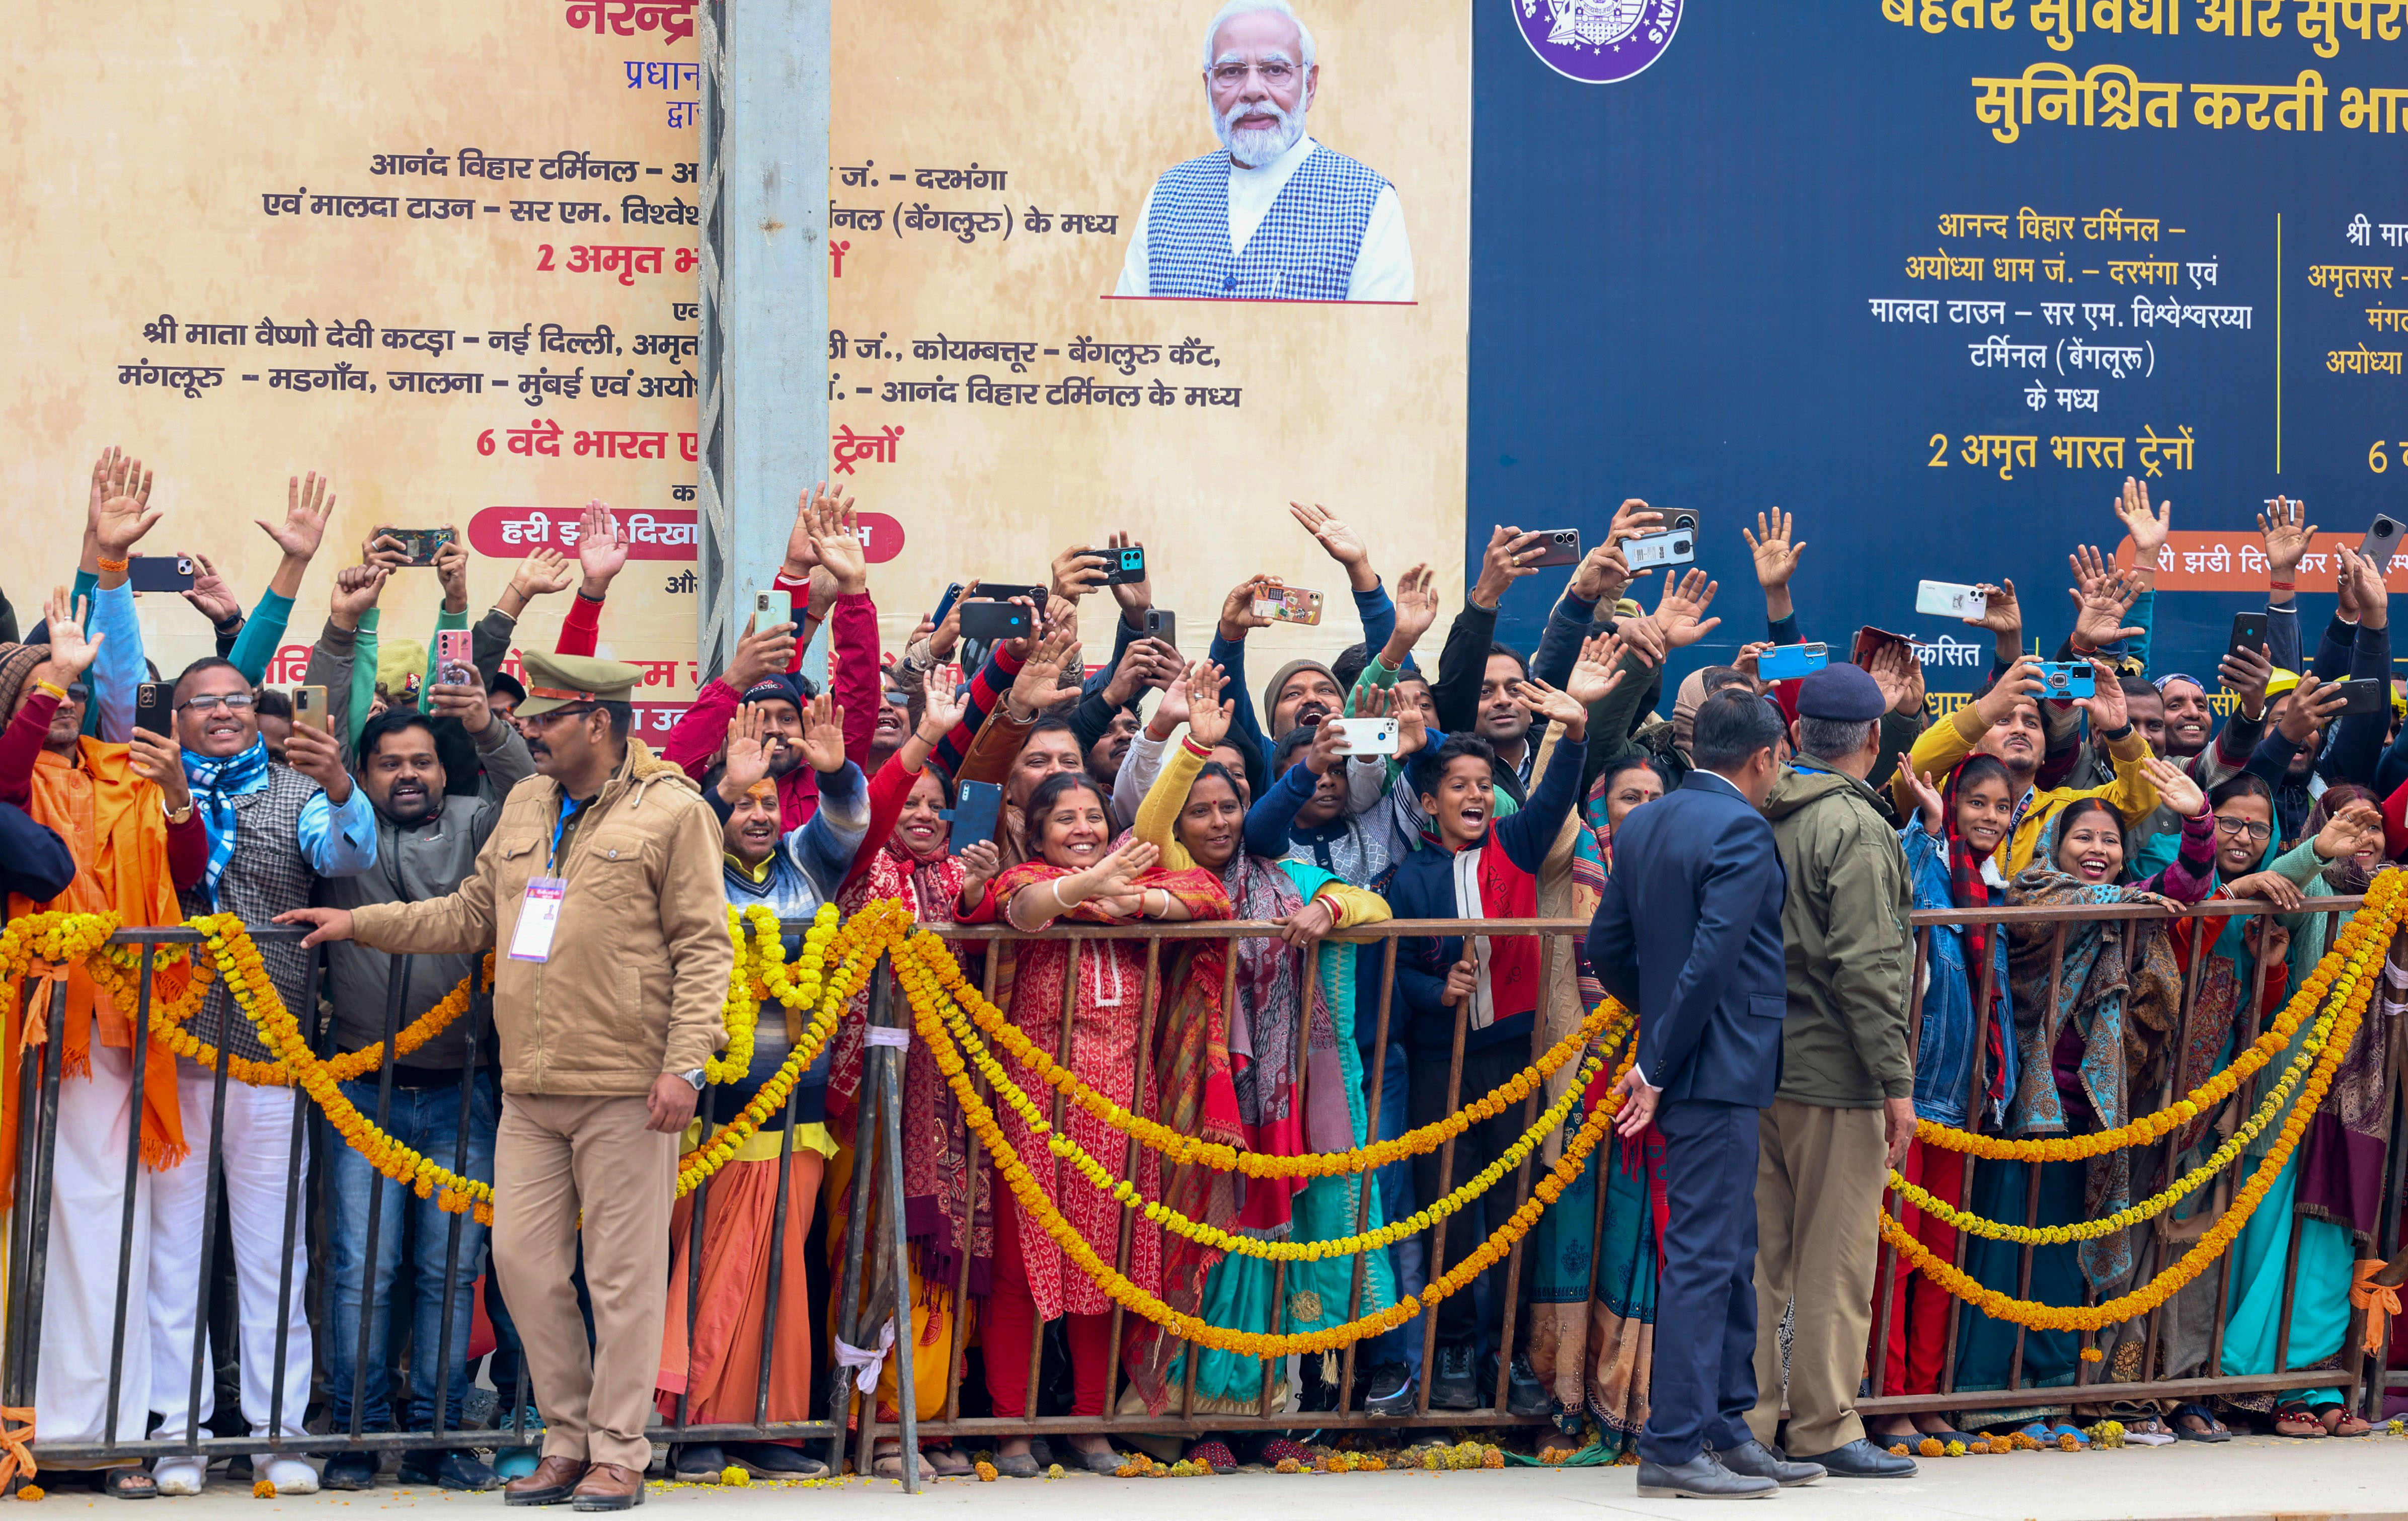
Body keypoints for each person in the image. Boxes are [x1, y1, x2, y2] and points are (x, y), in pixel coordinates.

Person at [278, 651, 732, 1512]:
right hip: (529, 1082)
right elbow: (470, 913)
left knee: (622, 1275)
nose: (529, 731)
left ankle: (619, 1451)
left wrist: (684, 1063)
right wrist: (360, 920)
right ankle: (566, 1438)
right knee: (522, 1265)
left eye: (546, 719)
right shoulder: (527, 800)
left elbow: (705, 947)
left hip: (627, 1084)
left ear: (598, 720)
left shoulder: (674, 809)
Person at [1127, 662, 1395, 1440]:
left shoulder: (1287, 877)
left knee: (1272, 1251)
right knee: (1199, 1248)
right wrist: (1185, 749)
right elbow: (1146, 827)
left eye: (1228, 807)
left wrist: (1327, 904)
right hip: (1192, 1099)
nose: (1214, 821)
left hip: (1273, 1107)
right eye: (1201, 810)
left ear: (1248, 814)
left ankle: (1269, 1413)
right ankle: (1193, 1421)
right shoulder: (1171, 875)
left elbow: (1374, 903)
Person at [151, 651, 377, 1498]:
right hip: (174, 1052)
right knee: (175, 1251)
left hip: (270, 1053)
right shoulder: (150, 791)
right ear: (175, 719)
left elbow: (349, 854)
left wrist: (346, 788)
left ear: (256, 708)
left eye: (234, 698)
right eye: (200, 702)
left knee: (273, 1253)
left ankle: (280, 1433)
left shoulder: (298, 791)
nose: (220, 711)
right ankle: (177, 1433)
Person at [1587, 688, 1818, 1500]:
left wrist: (1658, 1025)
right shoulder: (1742, 828)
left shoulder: (1644, 820)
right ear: (1763, 757)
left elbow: (1608, 946)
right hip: (1714, 1067)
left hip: (1692, 1058)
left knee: (1730, 1252)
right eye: (1780, 758)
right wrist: (1658, 1059)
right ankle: (1676, 1440)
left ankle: (1726, 1425)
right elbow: (1716, 957)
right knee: (1703, 1254)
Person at [961, 783, 1231, 1474]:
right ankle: (1013, 1429)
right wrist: (1089, 884)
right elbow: (1022, 909)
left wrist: (1136, 900)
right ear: (1038, 828)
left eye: (1091, 817)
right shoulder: (1029, 875)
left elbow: (1210, 895)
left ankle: (1089, 1422)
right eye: (1065, 818)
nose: (1081, 828)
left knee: (1108, 1266)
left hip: (1123, 1102)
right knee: (1023, 1269)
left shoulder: (1137, 884)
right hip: (1034, 1103)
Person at [0, 585, 203, 1501]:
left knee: (111, 1228)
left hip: (117, 1037)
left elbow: (188, 876)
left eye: (79, 692)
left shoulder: (127, 772)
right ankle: (25, 1430)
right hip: (33, 1033)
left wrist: (177, 798)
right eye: (47, 690)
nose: (68, 702)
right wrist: (49, 683)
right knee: (31, 1229)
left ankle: (113, 1434)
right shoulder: (13, 774)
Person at [314, 676, 535, 1492]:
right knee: (361, 1270)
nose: (407, 774)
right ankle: (357, 1434)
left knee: (450, 1269)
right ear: (362, 774)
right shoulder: (340, 830)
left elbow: (529, 790)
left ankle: (441, 1434)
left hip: (462, 1092)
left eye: (421, 761)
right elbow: (326, 741)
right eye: (388, 763)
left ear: (444, 770)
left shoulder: (483, 824)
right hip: (361, 1092)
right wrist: (340, 629)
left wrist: (482, 723)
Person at [1387, 647, 1616, 1412]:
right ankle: (1451, 1350)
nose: (1477, 795)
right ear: (1428, 803)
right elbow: (1397, 975)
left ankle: (1510, 1354)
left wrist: (1576, 729)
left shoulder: (1515, 848)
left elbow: (1552, 795)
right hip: (1436, 1065)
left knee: (1515, 1209)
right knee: (1449, 1208)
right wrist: (1433, 985)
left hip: (1511, 1062)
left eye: (1486, 785)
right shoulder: (1407, 877)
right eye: (1459, 786)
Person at [659, 696, 867, 1482]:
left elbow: (848, 815)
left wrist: (837, 768)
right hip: (708, 1110)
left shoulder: (809, 864)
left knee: (782, 1268)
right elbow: (677, 839)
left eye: (766, 802)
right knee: (709, 1266)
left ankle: (768, 1422)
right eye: (742, 801)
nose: (757, 813)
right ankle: (694, 1421)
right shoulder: (692, 863)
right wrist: (716, 794)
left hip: (798, 1112)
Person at [1750, 664, 1918, 1478]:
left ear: (1793, 738)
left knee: (1762, 1258)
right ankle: (1822, 1423)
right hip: (1837, 1070)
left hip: (1759, 1065)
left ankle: (1748, 1422)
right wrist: (1896, 1080)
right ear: (1875, 741)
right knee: (1837, 1256)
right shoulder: (1854, 826)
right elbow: (1868, 964)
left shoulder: (1758, 810)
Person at [1115, 1, 1411, 302]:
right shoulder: (1166, 198)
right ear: (1208, 87)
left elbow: (1378, 346)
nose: (1253, 90)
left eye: (1275, 70)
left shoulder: (1369, 203)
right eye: (1231, 71)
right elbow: (1126, 336)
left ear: (1309, 85)